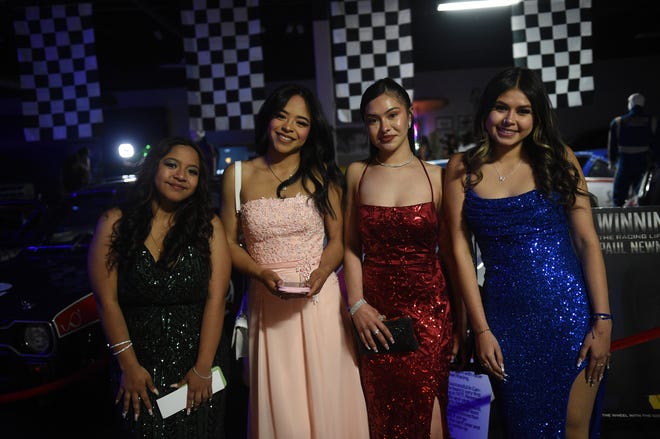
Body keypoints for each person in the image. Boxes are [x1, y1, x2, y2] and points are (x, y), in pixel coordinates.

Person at [444, 67, 612, 438]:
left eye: (523, 111)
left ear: (536, 118)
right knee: (522, 428)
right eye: (501, 108)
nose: (510, 119)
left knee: (573, 427)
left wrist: (603, 320)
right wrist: (480, 329)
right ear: (486, 111)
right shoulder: (461, 169)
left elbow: (587, 241)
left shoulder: (558, 159)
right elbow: (460, 254)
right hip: (504, 323)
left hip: (568, 313)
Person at [220, 83, 369, 438]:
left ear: (310, 132)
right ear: (267, 119)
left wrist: (321, 273)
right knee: (282, 404)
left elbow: (339, 241)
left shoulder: (323, 176)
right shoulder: (237, 175)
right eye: (281, 116)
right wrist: (258, 272)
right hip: (267, 301)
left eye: (300, 122)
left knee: (329, 394)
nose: (288, 127)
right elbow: (226, 242)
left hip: (319, 299)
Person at [88, 136, 231, 438]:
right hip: (137, 367)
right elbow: (106, 301)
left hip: (198, 364)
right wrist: (129, 366)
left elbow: (216, 299)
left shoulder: (209, 226)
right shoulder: (115, 222)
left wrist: (203, 368)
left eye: (192, 171)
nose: (181, 175)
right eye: (172, 165)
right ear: (154, 167)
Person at [343, 77, 462, 439]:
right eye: (373, 119)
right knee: (384, 417)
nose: (384, 127)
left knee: (432, 418)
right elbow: (350, 246)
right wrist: (357, 304)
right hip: (375, 317)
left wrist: (462, 323)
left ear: (409, 115)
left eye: (392, 115)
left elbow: (454, 256)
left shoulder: (437, 177)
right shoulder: (357, 174)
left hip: (431, 312)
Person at [607, 93, 658, 206]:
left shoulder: (618, 122)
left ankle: (619, 220)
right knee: (642, 196)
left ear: (630, 104)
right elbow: (656, 145)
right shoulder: (652, 121)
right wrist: (655, 163)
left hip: (624, 164)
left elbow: (612, 147)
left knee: (619, 198)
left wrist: (611, 162)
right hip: (643, 164)